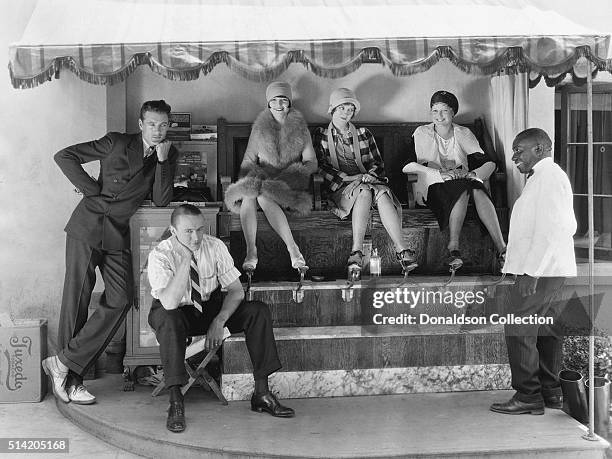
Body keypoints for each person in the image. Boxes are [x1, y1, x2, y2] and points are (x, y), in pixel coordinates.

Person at [42, 100, 178, 405]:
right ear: (141, 124)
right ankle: (72, 380)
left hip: (117, 234)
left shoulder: (167, 154)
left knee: (121, 299)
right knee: (77, 298)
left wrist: (162, 162)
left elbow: (160, 200)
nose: (158, 130)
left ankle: (62, 362)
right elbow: (65, 156)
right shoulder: (116, 142)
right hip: (88, 225)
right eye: (153, 124)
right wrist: (93, 191)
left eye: (164, 125)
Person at [147, 204, 294, 432]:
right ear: (173, 231)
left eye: (200, 229)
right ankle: (176, 401)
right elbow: (169, 303)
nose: (196, 237)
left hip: (208, 308)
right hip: (174, 312)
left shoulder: (214, 246)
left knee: (258, 311)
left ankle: (262, 394)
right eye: (188, 231)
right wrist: (186, 259)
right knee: (170, 320)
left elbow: (236, 290)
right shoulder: (160, 254)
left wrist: (219, 321)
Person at [490, 128, 577, 415]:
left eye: (520, 150)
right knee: (545, 330)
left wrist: (532, 272)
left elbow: (555, 228)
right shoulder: (544, 177)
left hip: (542, 271)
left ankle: (528, 395)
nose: (514, 156)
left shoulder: (549, 178)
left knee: (518, 327)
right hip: (550, 270)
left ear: (539, 149)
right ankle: (550, 392)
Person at [312, 88, 417, 279]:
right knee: (364, 192)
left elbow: (377, 163)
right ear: (333, 109)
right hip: (342, 185)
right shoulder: (320, 135)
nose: (346, 113)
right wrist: (348, 178)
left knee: (383, 194)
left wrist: (369, 175)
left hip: (367, 180)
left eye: (350, 109)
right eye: (342, 108)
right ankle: (356, 251)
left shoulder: (363, 133)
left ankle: (402, 250)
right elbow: (320, 167)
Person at [403, 90, 506, 271]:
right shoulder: (421, 133)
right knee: (465, 187)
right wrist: (439, 174)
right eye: (434, 111)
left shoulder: (463, 133)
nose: (439, 116)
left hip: (462, 182)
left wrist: (473, 174)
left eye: (444, 111)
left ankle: (502, 249)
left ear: (453, 112)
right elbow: (406, 166)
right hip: (433, 186)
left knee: (476, 186)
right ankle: (454, 246)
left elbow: (490, 163)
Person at [224, 81, 317, 276]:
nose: (279, 105)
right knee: (252, 193)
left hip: (290, 182)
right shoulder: (259, 129)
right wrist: (251, 178)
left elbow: (311, 162)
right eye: (274, 100)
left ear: (289, 103)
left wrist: (295, 173)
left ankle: (293, 249)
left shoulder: (301, 128)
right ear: (268, 104)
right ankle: (252, 251)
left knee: (264, 195)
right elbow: (248, 161)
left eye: (283, 100)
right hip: (263, 178)